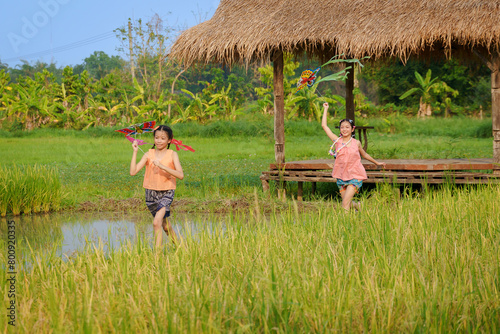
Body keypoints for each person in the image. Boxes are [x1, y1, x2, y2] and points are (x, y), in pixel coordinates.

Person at [322, 102, 385, 211]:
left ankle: (345, 225)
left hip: (355, 176)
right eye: (342, 127)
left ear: (352, 129)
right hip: (341, 176)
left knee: (345, 204)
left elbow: (364, 154)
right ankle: (357, 206)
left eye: (347, 127)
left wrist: (377, 163)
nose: (344, 129)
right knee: (347, 202)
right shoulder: (337, 141)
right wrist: (325, 109)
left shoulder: (357, 143)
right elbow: (324, 126)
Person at [130, 125, 184, 247]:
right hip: (151, 193)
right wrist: (135, 152)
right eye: (156, 138)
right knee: (164, 225)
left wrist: (162, 166)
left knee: (156, 223)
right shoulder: (149, 154)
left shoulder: (172, 154)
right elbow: (133, 172)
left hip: (166, 192)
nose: (159, 141)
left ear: (169, 140)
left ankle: (157, 256)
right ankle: (181, 248)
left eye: (163, 138)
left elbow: (180, 175)